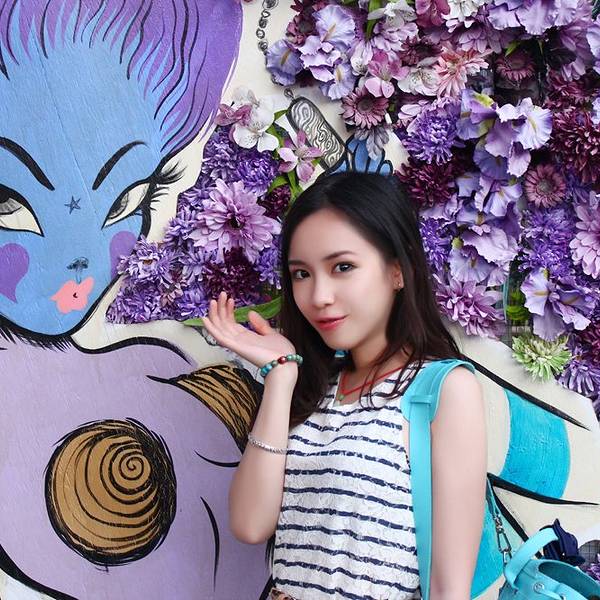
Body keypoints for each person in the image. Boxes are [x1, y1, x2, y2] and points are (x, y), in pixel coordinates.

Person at [201, 171, 487, 600]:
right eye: (301, 274)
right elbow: (249, 524)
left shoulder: (442, 389)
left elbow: (449, 588)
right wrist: (281, 376)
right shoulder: (315, 388)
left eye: (343, 267)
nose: (319, 296)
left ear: (398, 270)